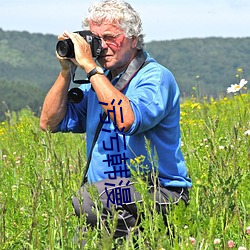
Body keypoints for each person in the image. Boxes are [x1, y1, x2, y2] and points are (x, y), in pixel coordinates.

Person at [40, 0, 192, 245]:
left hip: (159, 191)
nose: (102, 47)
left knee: (87, 199)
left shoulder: (154, 77)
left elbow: (127, 121)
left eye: (110, 37)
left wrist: (90, 68)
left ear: (133, 38)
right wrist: (66, 70)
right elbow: (49, 123)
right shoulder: (98, 83)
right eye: (96, 39)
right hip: (109, 199)